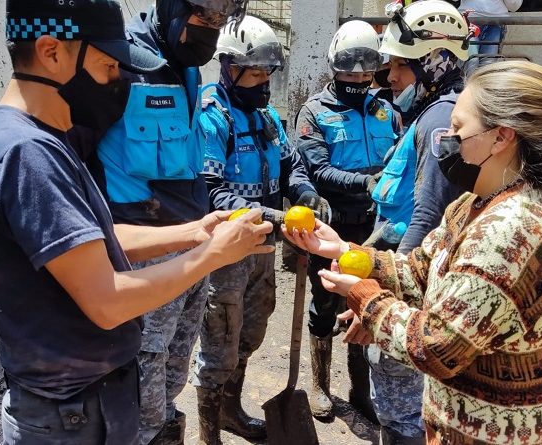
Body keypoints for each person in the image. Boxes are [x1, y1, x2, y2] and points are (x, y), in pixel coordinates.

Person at [0, 1, 273, 444]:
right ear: (51, 52)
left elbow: (91, 239)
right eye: (107, 66)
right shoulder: (26, 154)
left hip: (83, 402)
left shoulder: (36, 140)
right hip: (69, 415)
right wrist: (210, 255)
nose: (115, 83)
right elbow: (106, 302)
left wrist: (192, 232)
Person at [286, 59, 542, 445]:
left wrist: (368, 301)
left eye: (457, 128)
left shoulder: (513, 230)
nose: (445, 139)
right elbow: (424, 270)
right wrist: (346, 250)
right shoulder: (476, 202)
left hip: (500, 434)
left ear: (501, 137)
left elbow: (437, 347)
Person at [85, 0, 248, 443]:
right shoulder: (120, 65)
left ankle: (161, 422)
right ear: (172, 7)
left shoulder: (189, 70)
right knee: (143, 360)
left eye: (220, 21)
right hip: (142, 246)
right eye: (204, 18)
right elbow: (78, 153)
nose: (211, 32)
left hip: (191, 237)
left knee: (177, 353)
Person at [189, 16, 329, 443]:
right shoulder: (214, 116)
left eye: (268, 73)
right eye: (255, 72)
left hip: (263, 251)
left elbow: (290, 166)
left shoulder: (267, 114)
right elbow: (212, 192)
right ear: (230, 69)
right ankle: (209, 433)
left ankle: (231, 411)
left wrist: (305, 195)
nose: (264, 81)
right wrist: (275, 218)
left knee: (251, 330)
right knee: (220, 340)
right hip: (227, 252)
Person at [362, 3, 475, 443]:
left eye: (398, 67)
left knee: (401, 406)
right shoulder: (443, 111)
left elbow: (427, 215)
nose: (389, 77)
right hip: (414, 267)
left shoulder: (437, 121)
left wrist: (389, 290)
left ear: (432, 63)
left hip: (413, 276)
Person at [294, 19, 400, 421]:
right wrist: (366, 181)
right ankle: (320, 385)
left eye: (366, 68)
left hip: (376, 227)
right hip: (331, 224)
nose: (358, 75)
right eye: (349, 68)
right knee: (324, 304)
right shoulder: (314, 112)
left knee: (364, 302)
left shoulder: (386, 111)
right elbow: (317, 170)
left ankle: (360, 389)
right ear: (333, 65)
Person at [459, 0, 522, 74]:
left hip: (495, 24)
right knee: (471, 62)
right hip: (469, 22)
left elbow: (514, 7)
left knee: (487, 66)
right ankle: (469, 85)